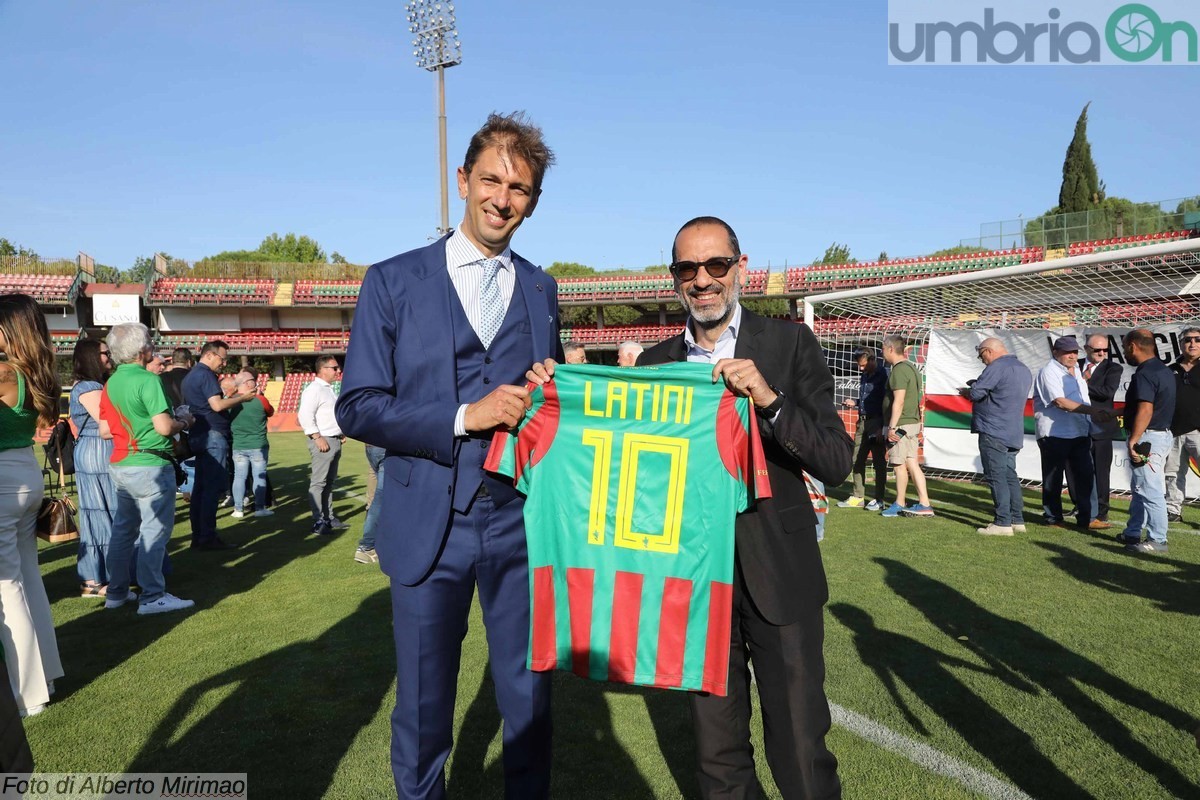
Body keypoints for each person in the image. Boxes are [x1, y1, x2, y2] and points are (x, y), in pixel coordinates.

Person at [335, 111, 560, 799]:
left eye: (519, 188)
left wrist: (552, 392)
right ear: (463, 181)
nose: (501, 197)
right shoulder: (392, 281)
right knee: (425, 709)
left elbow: (543, 401)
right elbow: (358, 407)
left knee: (530, 705)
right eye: (490, 179)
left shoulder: (544, 288)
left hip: (522, 522)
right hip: (429, 521)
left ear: (533, 202)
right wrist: (467, 416)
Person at [633, 216, 851, 798]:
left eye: (715, 265)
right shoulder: (653, 366)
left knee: (802, 748)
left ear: (741, 269)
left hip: (778, 569)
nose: (702, 280)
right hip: (694, 583)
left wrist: (771, 401)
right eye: (687, 268)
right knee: (717, 755)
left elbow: (836, 460)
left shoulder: (789, 344)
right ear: (674, 277)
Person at [99, 323, 195, 614]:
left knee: (123, 531)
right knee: (154, 532)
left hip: (122, 461)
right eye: (150, 342)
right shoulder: (147, 380)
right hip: (151, 463)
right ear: (143, 350)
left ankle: (116, 592)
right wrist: (185, 422)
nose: (153, 347)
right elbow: (164, 427)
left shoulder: (112, 381)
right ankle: (152, 596)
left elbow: (105, 429)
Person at [0, 293, 64, 717]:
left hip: (4, 478)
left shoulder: (4, 369)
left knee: (8, 588)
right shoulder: (34, 371)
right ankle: (46, 676)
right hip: (22, 472)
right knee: (25, 580)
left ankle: (28, 692)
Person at [182, 340, 254, 550]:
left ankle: (200, 536)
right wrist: (242, 398)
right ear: (210, 355)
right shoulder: (205, 375)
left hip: (198, 433)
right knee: (211, 490)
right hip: (212, 435)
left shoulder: (191, 376)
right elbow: (216, 405)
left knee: (200, 490)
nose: (224, 363)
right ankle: (207, 538)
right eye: (222, 359)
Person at [960, 338, 1033, 535]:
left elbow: (976, 394)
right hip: (1013, 430)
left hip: (994, 429)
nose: (981, 359)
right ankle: (1017, 520)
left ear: (989, 351)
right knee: (1010, 476)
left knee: (996, 476)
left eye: (981, 354)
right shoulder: (1023, 368)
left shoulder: (996, 367)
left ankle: (1002, 523)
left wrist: (969, 389)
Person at [1032, 336, 1105, 528]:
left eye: (1074, 352)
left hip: (1079, 431)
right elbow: (1060, 402)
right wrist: (1092, 411)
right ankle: (1053, 517)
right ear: (1055, 353)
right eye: (1067, 352)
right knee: (1053, 478)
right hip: (1055, 433)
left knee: (1086, 475)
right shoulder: (1048, 372)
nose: (1072, 355)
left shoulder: (1076, 371)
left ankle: (1088, 518)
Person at [1118, 328, 1175, 554]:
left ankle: (1158, 540)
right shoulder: (1163, 370)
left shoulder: (1145, 373)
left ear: (1133, 345)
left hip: (1148, 437)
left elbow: (1146, 409)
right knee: (1140, 487)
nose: (1124, 352)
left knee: (1149, 489)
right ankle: (1133, 532)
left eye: (1124, 348)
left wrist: (1134, 438)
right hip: (1159, 434)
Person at [70, 339, 117, 595]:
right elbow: (107, 421)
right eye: (104, 353)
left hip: (96, 450)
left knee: (102, 512)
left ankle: (99, 575)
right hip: (96, 451)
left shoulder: (93, 385)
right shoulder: (88, 387)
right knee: (100, 513)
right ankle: (95, 578)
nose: (108, 356)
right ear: (90, 356)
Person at [880, 335, 933, 517]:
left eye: (882, 349)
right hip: (912, 422)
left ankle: (899, 502)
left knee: (898, 464)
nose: (882, 353)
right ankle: (924, 503)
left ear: (890, 349)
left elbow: (899, 400)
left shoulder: (899, 370)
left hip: (902, 423)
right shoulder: (911, 367)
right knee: (912, 462)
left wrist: (892, 427)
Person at [299, 356, 345, 536]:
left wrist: (339, 432)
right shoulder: (314, 389)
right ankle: (319, 520)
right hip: (323, 439)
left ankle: (328, 517)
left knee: (329, 482)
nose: (338, 371)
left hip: (333, 438)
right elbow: (305, 415)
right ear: (323, 369)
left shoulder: (327, 389)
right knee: (319, 482)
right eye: (334, 368)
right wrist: (317, 437)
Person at [1080, 333, 1123, 527]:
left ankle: (1102, 511)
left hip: (1101, 427)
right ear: (1086, 349)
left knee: (1101, 471)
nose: (1102, 353)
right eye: (1097, 350)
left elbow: (1107, 392)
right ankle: (1082, 506)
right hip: (1076, 426)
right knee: (1079, 470)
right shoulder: (1074, 364)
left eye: (1105, 349)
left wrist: (1081, 383)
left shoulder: (1113, 368)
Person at [838, 348, 888, 511]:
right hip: (862, 422)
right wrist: (857, 403)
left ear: (872, 360)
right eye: (859, 366)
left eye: (863, 365)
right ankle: (858, 496)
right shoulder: (865, 375)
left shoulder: (883, 374)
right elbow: (870, 399)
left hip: (877, 422)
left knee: (878, 461)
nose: (860, 369)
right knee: (857, 459)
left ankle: (879, 499)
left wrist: (883, 426)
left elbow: (886, 401)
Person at [1164, 327, 1200, 523]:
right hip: (1174, 431)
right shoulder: (1170, 370)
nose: (1192, 343)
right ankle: (1173, 510)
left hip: (1198, 432)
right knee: (1173, 473)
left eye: (1197, 339)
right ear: (1180, 344)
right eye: (1188, 340)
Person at [228, 370, 274, 519]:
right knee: (258, 477)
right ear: (248, 383)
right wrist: (261, 395)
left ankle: (238, 509)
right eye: (253, 380)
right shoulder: (260, 400)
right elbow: (270, 411)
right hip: (258, 445)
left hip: (239, 445)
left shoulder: (230, 401)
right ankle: (260, 508)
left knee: (239, 477)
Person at [161, 348, 195, 498]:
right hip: (192, 424)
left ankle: (177, 488)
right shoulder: (196, 376)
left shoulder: (160, 378)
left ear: (172, 361)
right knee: (192, 461)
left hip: (168, 424)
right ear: (189, 361)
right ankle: (189, 492)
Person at [354, 444, 385, 564]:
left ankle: (376, 543)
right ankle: (367, 546)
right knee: (381, 498)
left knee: (380, 498)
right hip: (385, 447)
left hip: (373, 447)